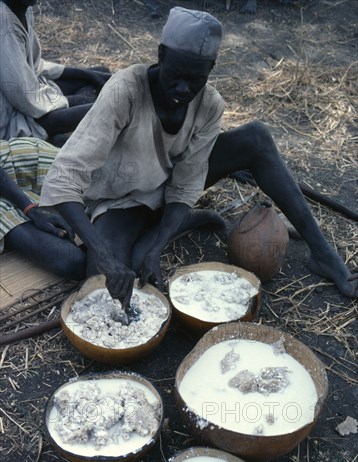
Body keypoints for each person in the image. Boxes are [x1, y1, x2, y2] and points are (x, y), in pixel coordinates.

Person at [40, 6, 358, 308]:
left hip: (167, 188)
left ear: (211, 69)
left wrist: (158, 243)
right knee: (106, 279)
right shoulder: (125, 91)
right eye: (175, 75)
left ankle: (322, 254)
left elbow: (188, 181)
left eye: (195, 79)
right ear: (161, 55)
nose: (182, 88)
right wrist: (105, 255)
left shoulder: (209, 104)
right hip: (122, 201)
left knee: (256, 138)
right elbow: (63, 178)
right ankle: (178, 225)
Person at [0, 0, 111, 144]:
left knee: (101, 74)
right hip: (11, 119)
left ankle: (55, 137)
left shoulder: (23, 9)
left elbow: (35, 66)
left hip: (31, 93)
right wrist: (70, 101)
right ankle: (53, 139)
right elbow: (24, 97)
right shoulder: (4, 25)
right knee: (102, 105)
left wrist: (90, 75)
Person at [0, 137, 86, 279]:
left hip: (18, 164)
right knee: (72, 262)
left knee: (102, 182)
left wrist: (30, 209)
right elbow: (73, 262)